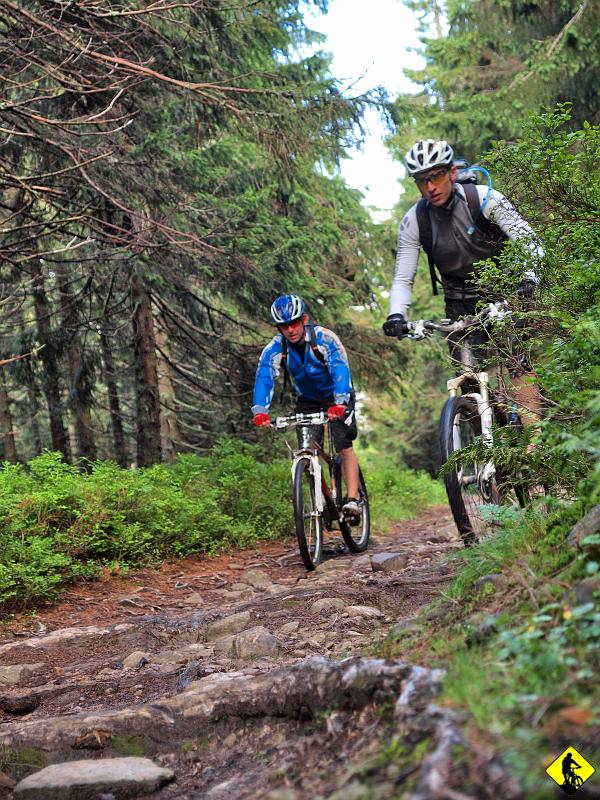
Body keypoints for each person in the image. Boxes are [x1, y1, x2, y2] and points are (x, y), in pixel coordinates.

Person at [382, 138, 543, 422]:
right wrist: (397, 315)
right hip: (459, 300)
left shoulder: (484, 198)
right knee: (464, 377)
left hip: (506, 288)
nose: (431, 187)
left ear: (452, 173)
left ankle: (534, 439)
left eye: (437, 176)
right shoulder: (414, 221)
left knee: (516, 360)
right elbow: (402, 279)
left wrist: (529, 279)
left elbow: (529, 240)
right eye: (422, 181)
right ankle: (486, 442)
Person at [252, 294, 361, 520]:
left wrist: (340, 403)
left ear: (304, 319)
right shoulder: (276, 347)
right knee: (307, 447)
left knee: (343, 443)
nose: (290, 330)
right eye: (284, 326)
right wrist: (260, 410)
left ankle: (352, 499)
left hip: (337, 395)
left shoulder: (325, 339)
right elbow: (264, 376)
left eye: (294, 323)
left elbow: (340, 370)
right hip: (308, 399)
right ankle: (322, 498)